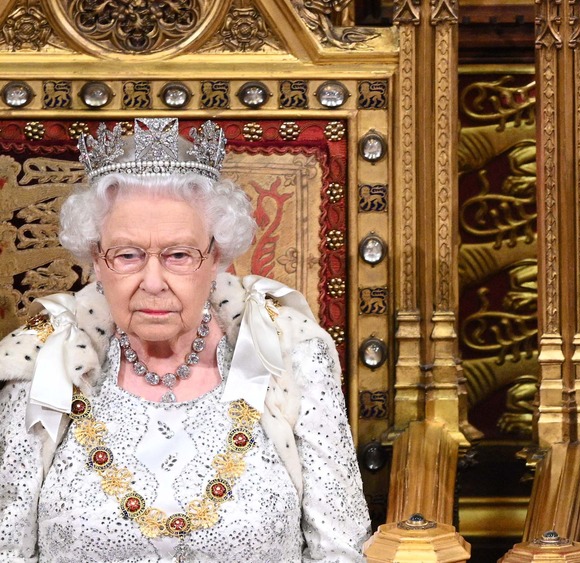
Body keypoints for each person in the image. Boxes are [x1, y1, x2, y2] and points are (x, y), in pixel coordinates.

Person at [0, 117, 371, 561]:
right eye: (128, 255)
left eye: (179, 255)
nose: (152, 281)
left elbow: (341, 549)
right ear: (96, 262)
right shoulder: (44, 363)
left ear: (215, 258)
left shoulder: (289, 352)